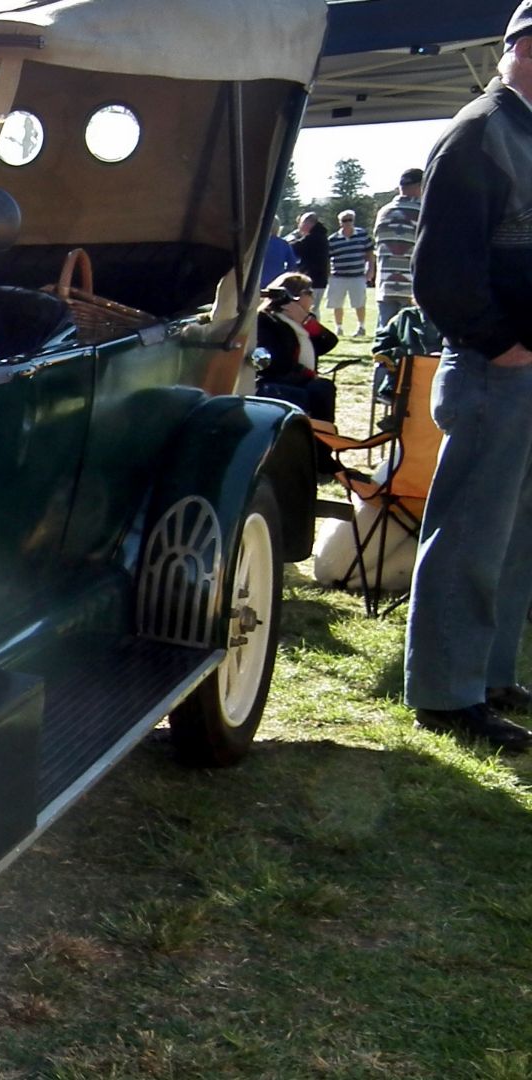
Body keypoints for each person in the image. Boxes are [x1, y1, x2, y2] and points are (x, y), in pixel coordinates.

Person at [402, 0, 532, 753]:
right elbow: (440, 273)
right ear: (520, 47)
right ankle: (448, 695)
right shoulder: (481, 133)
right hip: (495, 366)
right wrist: (499, 341)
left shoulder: (522, 135)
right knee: (471, 532)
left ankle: (488, 677)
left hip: (519, 364)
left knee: (513, 534)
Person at [251, 272, 338, 424]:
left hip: (302, 380)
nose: (312, 298)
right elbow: (276, 360)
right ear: (294, 296)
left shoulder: (306, 321)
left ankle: (323, 439)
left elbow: (329, 342)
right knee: (318, 390)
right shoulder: (267, 320)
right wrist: (306, 374)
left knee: (323, 388)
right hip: (278, 381)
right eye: (309, 292)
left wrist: (305, 320)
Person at [370, 167, 425, 334]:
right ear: (420, 185)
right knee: (413, 337)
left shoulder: (384, 211)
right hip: (412, 284)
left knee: (385, 334)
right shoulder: (423, 211)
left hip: (386, 283)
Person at [326, 209, 373, 337]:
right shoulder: (333, 239)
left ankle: (361, 327)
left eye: (350, 220)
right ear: (340, 223)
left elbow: (369, 254)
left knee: (359, 303)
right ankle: (339, 328)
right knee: (337, 303)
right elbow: (327, 258)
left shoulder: (363, 235)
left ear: (353, 221)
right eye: (344, 220)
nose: (347, 223)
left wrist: (370, 270)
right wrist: (328, 274)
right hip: (338, 276)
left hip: (357, 275)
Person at [288, 211, 330, 292]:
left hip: (313, 281)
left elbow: (296, 248)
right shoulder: (320, 235)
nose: (299, 226)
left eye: (301, 223)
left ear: (308, 223)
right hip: (318, 280)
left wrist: (289, 242)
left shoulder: (314, 237)